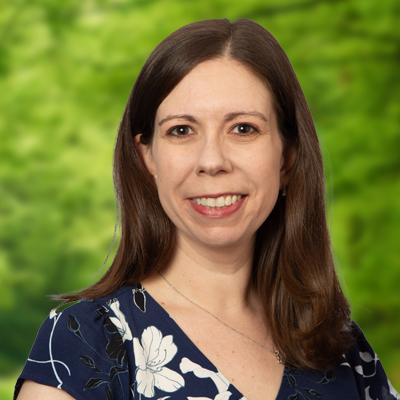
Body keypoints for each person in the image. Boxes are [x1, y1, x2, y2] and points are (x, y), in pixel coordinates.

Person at [14, 18, 398, 400]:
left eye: (243, 128)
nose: (212, 160)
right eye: (181, 130)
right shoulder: (83, 344)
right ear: (147, 157)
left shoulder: (344, 351)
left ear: (287, 156)